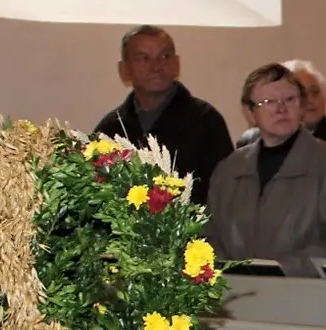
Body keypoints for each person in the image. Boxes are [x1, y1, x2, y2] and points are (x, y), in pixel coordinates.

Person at [204, 64, 326, 276]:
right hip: (236, 296)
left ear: (301, 107)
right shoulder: (229, 170)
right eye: (268, 102)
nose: (281, 109)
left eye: (289, 100)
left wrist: (278, 270)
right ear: (251, 112)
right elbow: (209, 236)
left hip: (303, 297)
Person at [93, 25, 233, 206]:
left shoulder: (205, 121)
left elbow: (226, 195)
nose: (156, 66)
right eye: (143, 58)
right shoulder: (111, 128)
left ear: (176, 64)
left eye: (164, 57)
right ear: (124, 70)